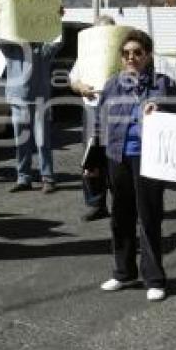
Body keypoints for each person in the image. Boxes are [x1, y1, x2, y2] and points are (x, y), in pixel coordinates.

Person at [96, 30, 176, 302]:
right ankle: (124, 272)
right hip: (117, 156)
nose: (131, 58)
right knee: (120, 217)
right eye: (126, 54)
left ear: (148, 55)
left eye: (137, 52)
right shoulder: (112, 84)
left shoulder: (162, 83)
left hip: (149, 157)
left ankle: (154, 278)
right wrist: (94, 161)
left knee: (148, 216)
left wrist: (160, 111)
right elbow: (99, 122)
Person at [0, 3, 64, 194]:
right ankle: (23, 177)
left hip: (40, 101)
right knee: (21, 142)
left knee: (42, 141)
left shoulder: (43, 49)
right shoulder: (11, 49)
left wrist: (58, 18)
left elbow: (58, 42)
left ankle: (47, 178)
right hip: (17, 100)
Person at [69, 14, 117, 221]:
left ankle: (122, 203)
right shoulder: (86, 53)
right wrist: (81, 88)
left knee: (117, 157)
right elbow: (73, 79)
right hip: (92, 109)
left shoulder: (122, 53)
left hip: (117, 112)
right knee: (92, 159)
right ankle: (96, 203)